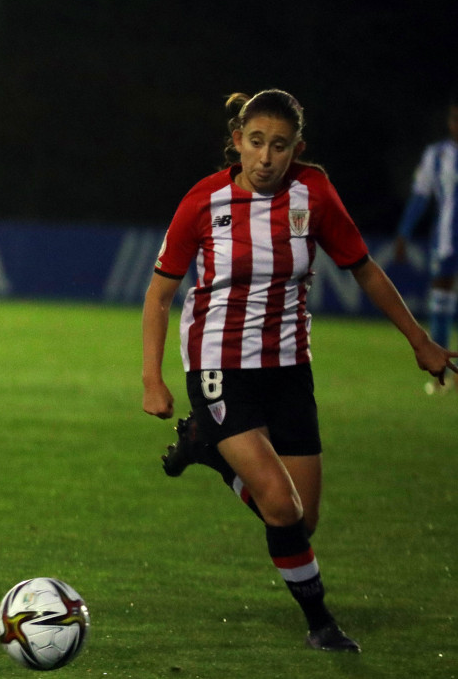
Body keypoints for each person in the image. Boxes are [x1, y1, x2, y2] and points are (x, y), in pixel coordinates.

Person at [141, 89, 457, 652]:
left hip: (289, 369)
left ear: (297, 149)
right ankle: (320, 624)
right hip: (220, 365)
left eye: (279, 146)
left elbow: (363, 269)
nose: (266, 157)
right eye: (256, 142)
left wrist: (420, 340)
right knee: (280, 505)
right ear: (237, 142)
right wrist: (152, 377)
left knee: (300, 523)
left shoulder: (313, 193)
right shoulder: (203, 202)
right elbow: (161, 294)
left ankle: (207, 449)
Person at [393, 93, 458, 393]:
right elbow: (420, 197)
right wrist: (404, 232)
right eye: (454, 118)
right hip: (447, 242)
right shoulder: (437, 155)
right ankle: (443, 374)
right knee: (441, 304)